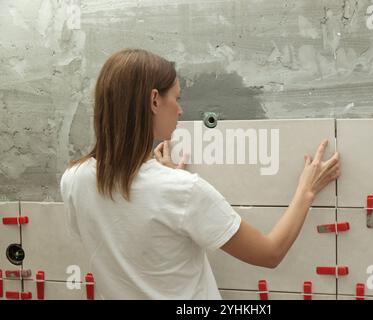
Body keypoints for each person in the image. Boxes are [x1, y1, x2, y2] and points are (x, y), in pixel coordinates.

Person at [60, 48, 340, 300]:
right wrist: (306, 189)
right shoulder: (184, 191)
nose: (180, 110)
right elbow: (269, 253)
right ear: (154, 100)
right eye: (177, 98)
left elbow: (129, 228)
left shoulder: (73, 179)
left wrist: (162, 178)